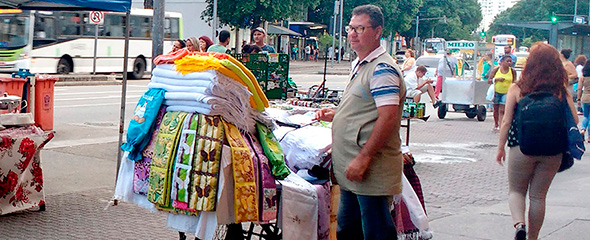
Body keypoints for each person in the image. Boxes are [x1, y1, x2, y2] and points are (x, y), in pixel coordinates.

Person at [314, 5, 403, 239]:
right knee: (348, 228)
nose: (352, 33)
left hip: (370, 167)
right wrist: (337, 113)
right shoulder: (361, 64)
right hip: (352, 165)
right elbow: (368, 108)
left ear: (377, 31)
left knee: (375, 230)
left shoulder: (382, 68)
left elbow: (388, 117)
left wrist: (364, 159)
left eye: (360, 28)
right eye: (350, 28)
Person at [496, 42, 578, 240]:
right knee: (538, 197)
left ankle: (519, 225)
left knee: (516, 191)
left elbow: (506, 121)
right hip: (552, 150)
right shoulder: (560, 90)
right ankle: (533, 237)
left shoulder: (518, 88)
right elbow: (574, 119)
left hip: (520, 147)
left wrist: (500, 148)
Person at [488, 55, 516, 132]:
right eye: (507, 61)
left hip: (507, 92)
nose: (509, 63)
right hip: (496, 92)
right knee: (496, 109)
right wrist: (496, 79)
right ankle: (496, 124)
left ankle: (501, 126)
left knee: (502, 110)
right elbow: (489, 81)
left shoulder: (512, 71)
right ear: (502, 62)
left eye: (510, 61)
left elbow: (514, 82)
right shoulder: (496, 70)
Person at [577, 60, 590, 142]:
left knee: (585, 116)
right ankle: (589, 136)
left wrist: (578, 99)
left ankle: (582, 130)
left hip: (585, 98)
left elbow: (579, 89)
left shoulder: (582, 77)